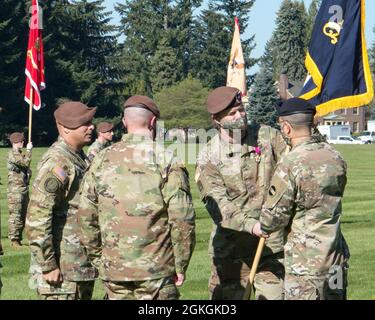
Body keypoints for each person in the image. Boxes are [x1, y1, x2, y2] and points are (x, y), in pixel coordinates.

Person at [78, 95, 196, 300]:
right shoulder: (166, 159)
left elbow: (86, 214)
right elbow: (182, 218)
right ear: (153, 123)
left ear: (124, 122)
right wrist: (180, 264)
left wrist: (100, 260)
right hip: (157, 270)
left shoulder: (101, 159)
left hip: (114, 271)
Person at [195, 86, 288, 300]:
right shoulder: (208, 156)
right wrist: (252, 225)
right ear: (217, 119)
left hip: (270, 248)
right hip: (231, 252)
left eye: (241, 109)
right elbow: (218, 206)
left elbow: (293, 168)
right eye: (232, 113)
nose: (240, 116)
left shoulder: (268, 136)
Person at [253, 97, 350, 300]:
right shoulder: (335, 156)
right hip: (336, 257)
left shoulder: (291, 163)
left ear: (286, 128)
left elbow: (272, 220)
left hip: (306, 264)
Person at [26, 101, 98, 300]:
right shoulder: (59, 163)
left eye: (90, 122)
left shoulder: (77, 157)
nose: (91, 127)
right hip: (62, 272)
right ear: (65, 128)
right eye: (85, 123)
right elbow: (37, 217)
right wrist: (48, 265)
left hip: (78, 266)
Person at [7, 132, 33, 247]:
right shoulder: (13, 154)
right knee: (16, 215)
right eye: (21, 141)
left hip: (23, 188)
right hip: (15, 190)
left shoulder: (19, 153)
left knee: (24, 214)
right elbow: (25, 163)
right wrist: (29, 151)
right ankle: (14, 239)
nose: (23, 142)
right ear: (15, 142)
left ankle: (20, 238)